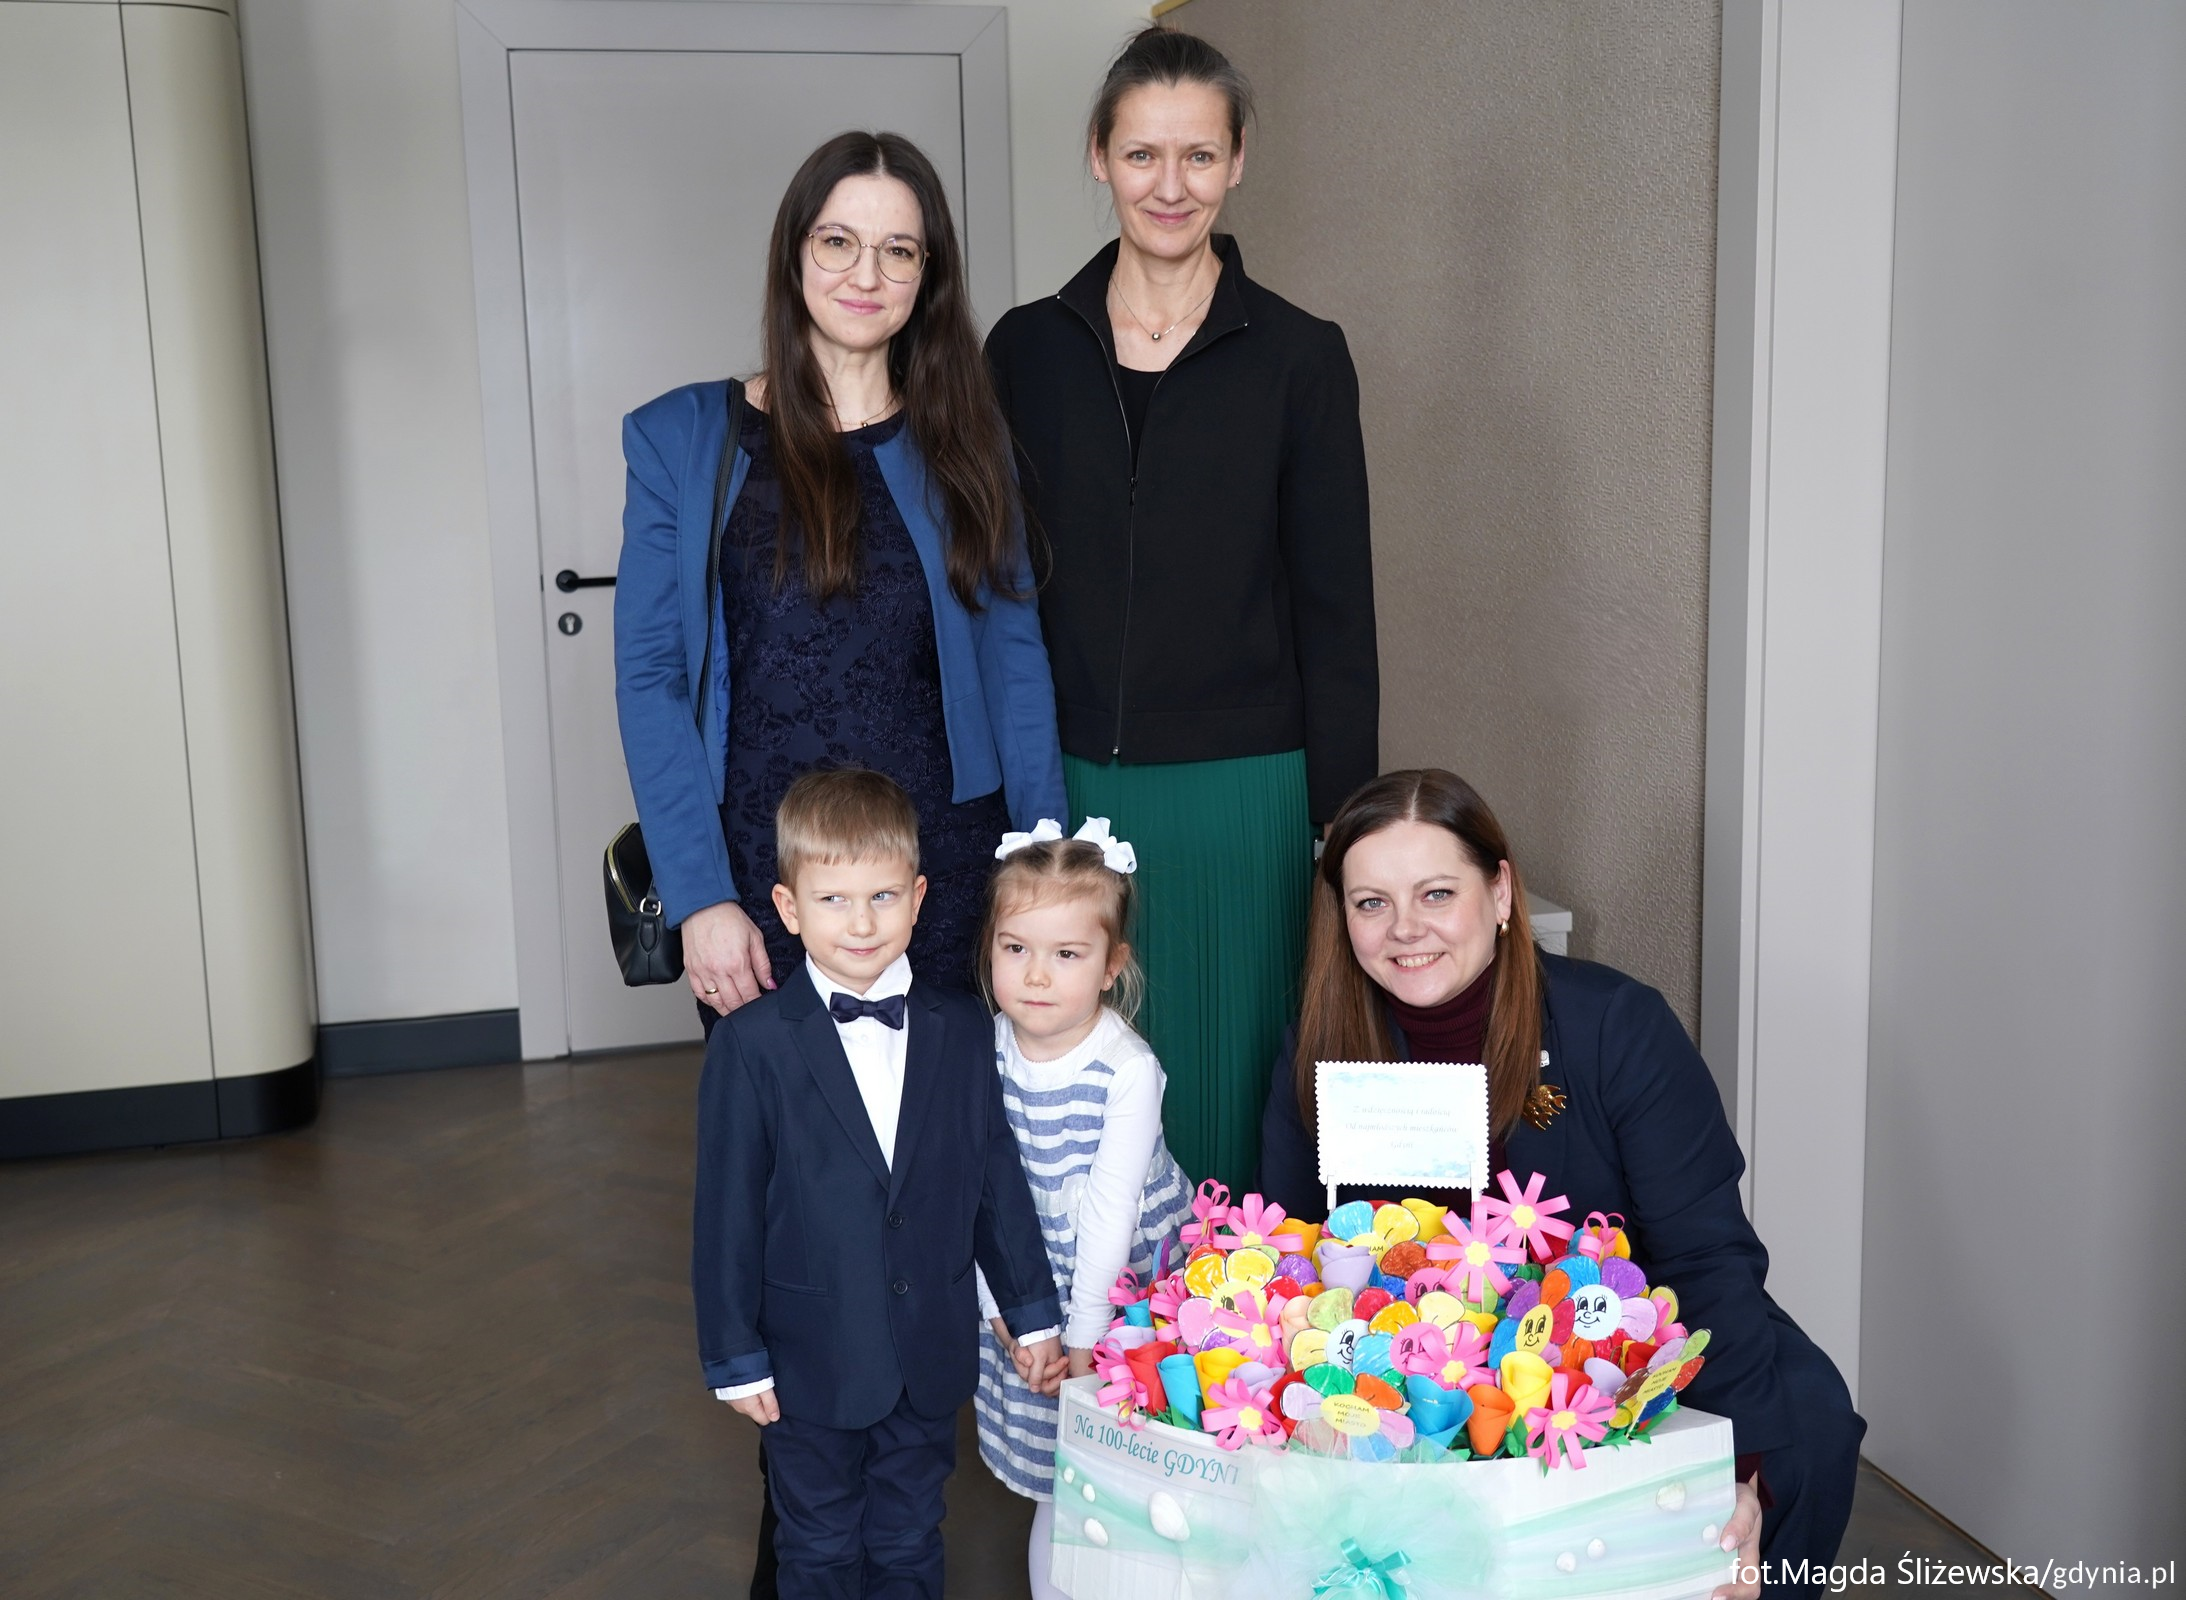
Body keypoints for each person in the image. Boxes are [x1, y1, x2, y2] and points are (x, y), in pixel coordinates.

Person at [1256, 769, 1865, 1600]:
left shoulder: (1617, 1025)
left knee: (1803, 1423)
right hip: (1410, 1367)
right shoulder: (1318, 1044)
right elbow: (1293, 1255)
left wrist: (1732, 1470)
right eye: (1372, 903)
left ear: (1501, 891)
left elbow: (1704, 1255)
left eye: (1437, 894)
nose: (1405, 929)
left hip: (1628, 1344)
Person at [985, 28, 1377, 1194]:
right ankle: (1088, 1316)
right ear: (1097, 156)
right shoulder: (1024, 350)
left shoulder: (1300, 357)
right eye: (1142, 154)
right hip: (1067, 787)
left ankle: (1232, 1313)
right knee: (1070, 1101)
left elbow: (1336, 604)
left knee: (1230, 1089)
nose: (1170, 185)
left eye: (1198, 155)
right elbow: (992, 584)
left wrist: (1340, 819)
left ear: (1237, 160)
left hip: (1244, 794)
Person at [617, 130, 1066, 1028]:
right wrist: (701, 896)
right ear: (794, 253)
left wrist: (1044, 866)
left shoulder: (969, 445)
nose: (866, 274)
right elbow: (651, 679)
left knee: (944, 1113)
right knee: (786, 1116)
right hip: (764, 882)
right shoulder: (683, 439)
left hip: (943, 873)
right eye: (838, 242)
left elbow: (1014, 664)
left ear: (927, 276)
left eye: (898, 250)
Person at [693, 769, 1064, 1600]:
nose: (861, 924)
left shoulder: (961, 1026)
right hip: (807, 1362)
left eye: (883, 897)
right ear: (789, 908)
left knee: (908, 1538)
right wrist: (734, 1355)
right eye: (833, 900)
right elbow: (725, 1214)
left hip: (927, 1352)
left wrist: (1031, 1309)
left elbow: (993, 1176)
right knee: (819, 1548)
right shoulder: (750, 1045)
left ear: (918, 897)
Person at [968, 818, 1195, 1600]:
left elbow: (1108, 1217)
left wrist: (1082, 1339)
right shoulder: (979, 1052)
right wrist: (1006, 1317)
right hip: (1020, 1276)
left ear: (1110, 967)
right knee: (1063, 1488)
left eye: (1067, 954)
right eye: (1015, 948)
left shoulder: (1127, 1068)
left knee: (1131, 1468)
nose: (1037, 975)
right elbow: (967, 1198)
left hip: (1120, 1287)